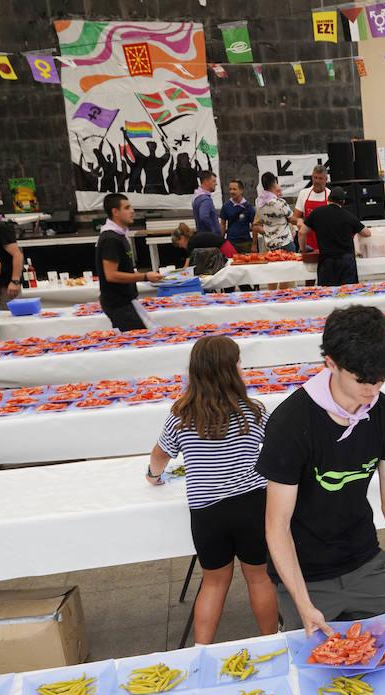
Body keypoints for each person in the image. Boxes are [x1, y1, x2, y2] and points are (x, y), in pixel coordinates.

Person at [259, 306, 385, 633]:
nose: (373, 390)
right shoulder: (291, 424)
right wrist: (302, 602)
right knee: (318, 669)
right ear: (331, 364)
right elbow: (277, 526)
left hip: (365, 564)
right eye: (362, 380)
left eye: (381, 379)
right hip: (305, 574)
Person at [147, 336, 278, 645]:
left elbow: (159, 455)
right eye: (239, 362)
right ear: (231, 370)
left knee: (214, 582)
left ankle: (201, 650)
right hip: (252, 505)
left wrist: (154, 475)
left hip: (207, 511)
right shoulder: (253, 411)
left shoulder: (182, 414)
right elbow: (279, 446)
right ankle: (271, 641)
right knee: (259, 577)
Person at [95, 193, 163, 332]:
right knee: (140, 341)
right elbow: (111, 275)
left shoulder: (119, 235)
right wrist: (144, 276)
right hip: (118, 303)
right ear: (115, 212)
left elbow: (123, 269)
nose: (132, 211)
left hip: (125, 301)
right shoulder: (111, 239)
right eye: (127, 207)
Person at [302, 187, 369, 287]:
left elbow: (302, 232)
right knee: (349, 294)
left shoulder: (317, 213)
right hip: (346, 262)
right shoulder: (348, 216)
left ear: (328, 199)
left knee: (328, 295)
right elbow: (367, 233)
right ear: (343, 202)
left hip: (327, 262)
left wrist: (303, 249)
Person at [253, 172, 299, 252]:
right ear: (274, 183)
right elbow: (293, 219)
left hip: (270, 244)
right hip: (285, 243)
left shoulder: (258, 202)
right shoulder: (279, 203)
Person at [295, 164, 332, 253]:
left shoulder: (331, 195)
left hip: (326, 242)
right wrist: (298, 221)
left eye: (320, 178)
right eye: (315, 178)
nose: (317, 181)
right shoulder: (304, 193)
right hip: (307, 242)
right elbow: (294, 217)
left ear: (326, 179)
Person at [219, 179, 255, 253]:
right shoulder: (226, 206)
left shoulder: (249, 207)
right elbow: (222, 224)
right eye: (230, 189)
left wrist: (254, 244)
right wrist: (221, 242)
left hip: (245, 243)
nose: (232, 192)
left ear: (241, 190)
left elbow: (254, 225)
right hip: (230, 243)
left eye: (234, 189)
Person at [192, 170, 221, 237]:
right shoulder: (205, 200)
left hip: (203, 237)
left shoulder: (197, 198)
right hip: (210, 239)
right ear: (206, 181)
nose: (216, 183)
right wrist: (212, 232)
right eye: (213, 181)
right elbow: (203, 217)